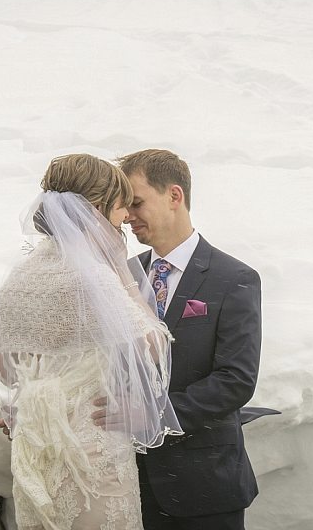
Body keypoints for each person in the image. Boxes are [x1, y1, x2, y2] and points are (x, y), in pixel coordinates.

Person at [0, 154, 183, 530]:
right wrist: (121, 271)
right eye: (118, 207)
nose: (125, 217)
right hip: (92, 447)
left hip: (37, 443)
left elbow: (7, 369)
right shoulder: (93, 276)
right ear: (95, 211)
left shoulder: (20, 276)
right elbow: (153, 346)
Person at [112, 149, 263, 530]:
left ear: (174, 196)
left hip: (206, 487)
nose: (128, 215)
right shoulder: (124, 275)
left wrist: (154, 417)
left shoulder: (234, 278)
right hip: (132, 485)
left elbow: (236, 379)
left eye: (137, 202)